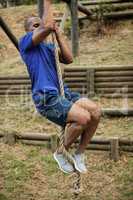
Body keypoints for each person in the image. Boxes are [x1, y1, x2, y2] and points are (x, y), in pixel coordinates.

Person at [19, 0, 101, 174]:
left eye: (40, 24)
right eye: (36, 25)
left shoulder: (49, 48)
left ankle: (79, 153)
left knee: (95, 111)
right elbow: (47, 25)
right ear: (28, 30)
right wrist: (47, 5)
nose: (40, 26)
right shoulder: (26, 44)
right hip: (46, 97)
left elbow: (69, 58)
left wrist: (58, 34)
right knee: (83, 119)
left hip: (63, 93)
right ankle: (60, 152)